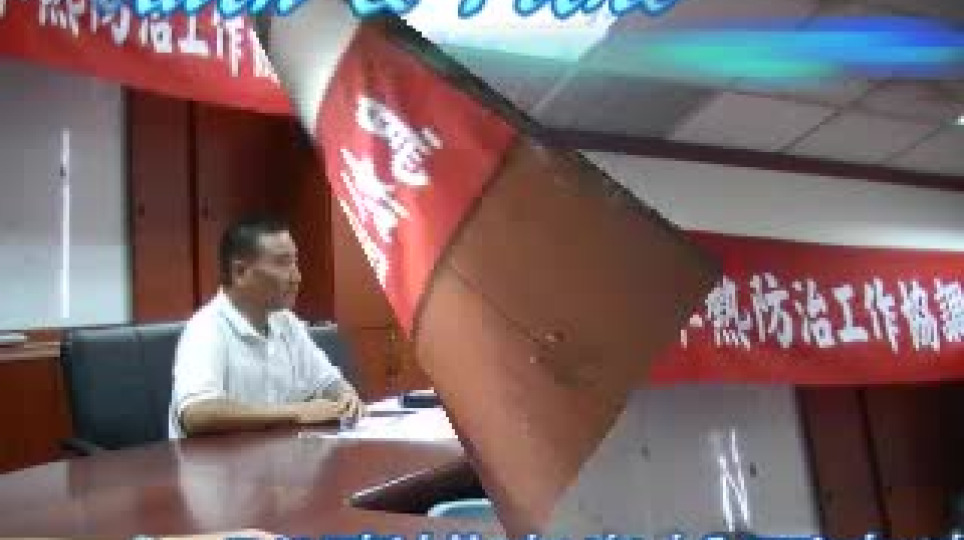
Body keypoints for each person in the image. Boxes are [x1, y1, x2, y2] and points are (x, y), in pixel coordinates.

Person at [168, 216, 364, 438]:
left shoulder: (286, 322)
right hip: (218, 459)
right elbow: (196, 413)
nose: (297, 277)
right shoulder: (206, 328)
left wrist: (345, 395)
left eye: (295, 262)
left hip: (277, 453)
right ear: (240, 272)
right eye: (282, 263)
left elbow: (328, 381)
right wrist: (294, 413)